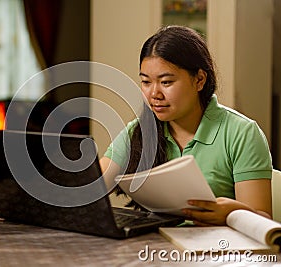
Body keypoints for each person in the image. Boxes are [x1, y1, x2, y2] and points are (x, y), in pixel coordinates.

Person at [100, 25, 273, 226]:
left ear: (199, 80)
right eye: (146, 82)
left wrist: (230, 213)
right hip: (153, 250)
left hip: (218, 252)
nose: (154, 94)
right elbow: (92, 191)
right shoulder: (139, 131)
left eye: (166, 82)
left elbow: (264, 222)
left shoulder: (241, 133)